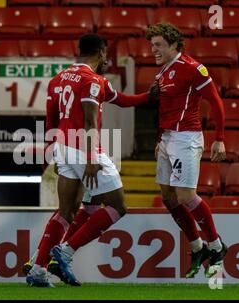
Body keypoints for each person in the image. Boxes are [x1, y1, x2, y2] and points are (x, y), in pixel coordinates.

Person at [26, 33, 151, 287]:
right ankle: (65, 252)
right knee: (118, 207)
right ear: (101, 52)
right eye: (106, 54)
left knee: (67, 211)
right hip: (83, 149)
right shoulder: (91, 80)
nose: (107, 58)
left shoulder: (58, 80)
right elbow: (89, 121)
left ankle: (38, 270)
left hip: (62, 147)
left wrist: (150, 96)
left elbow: (51, 119)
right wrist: (93, 157)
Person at [146, 23, 227, 278]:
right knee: (169, 198)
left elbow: (216, 102)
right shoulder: (162, 73)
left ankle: (216, 245)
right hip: (168, 139)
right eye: (152, 45)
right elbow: (164, 110)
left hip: (187, 138)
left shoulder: (193, 69)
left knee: (185, 196)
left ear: (174, 45)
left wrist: (219, 138)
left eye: (158, 45)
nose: (153, 50)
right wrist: (160, 139)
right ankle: (197, 246)